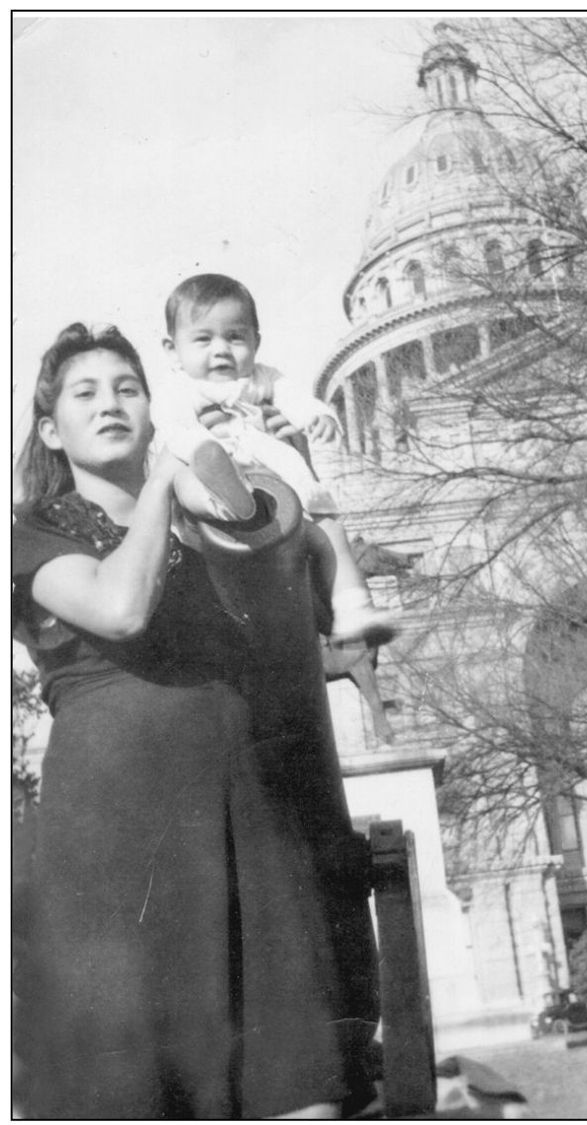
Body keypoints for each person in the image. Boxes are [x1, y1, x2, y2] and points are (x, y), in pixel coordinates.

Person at [12, 322, 378, 1119]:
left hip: (245, 822)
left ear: (153, 410)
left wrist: (298, 480)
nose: (110, 403)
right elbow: (119, 606)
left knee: (298, 1091)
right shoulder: (34, 533)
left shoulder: (204, 512)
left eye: (128, 388)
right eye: (86, 392)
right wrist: (161, 489)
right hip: (115, 843)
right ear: (51, 428)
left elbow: (309, 619)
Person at [153, 272, 397, 646]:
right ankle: (225, 488)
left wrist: (317, 417)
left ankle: (352, 606)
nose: (220, 350)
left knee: (328, 527)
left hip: (271, 475)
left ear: (256, 342)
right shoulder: (179, 387)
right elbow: (171, 427)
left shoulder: (263, 378)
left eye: (235, 337)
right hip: (210, 471)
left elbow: (293, 397)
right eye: (203, 339)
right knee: (197, 477)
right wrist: (203, 446)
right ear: (173, 349)